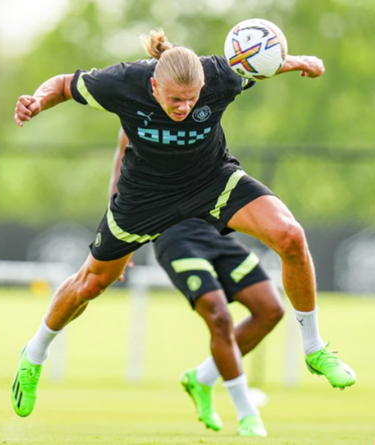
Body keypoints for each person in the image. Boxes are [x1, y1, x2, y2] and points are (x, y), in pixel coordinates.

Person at [11, 29, 356, 430]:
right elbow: (62, 85)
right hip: (145, 197)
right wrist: (37, 102)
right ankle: (34, 354)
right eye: (175, 99)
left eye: (192, 99)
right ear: (154, 84)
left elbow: (260, 65)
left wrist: (297, 60)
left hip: (212, 182)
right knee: (90, 284)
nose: (185, 107)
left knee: (291, 237)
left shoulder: (219, 75)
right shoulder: (122, 82)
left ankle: (314, 347)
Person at [111, 128, 284, 437]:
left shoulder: (203, 103)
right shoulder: (137, 112)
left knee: (270, 308)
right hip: (173, 236)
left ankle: (202, 377)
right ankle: (247, 414)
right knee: (219, 316)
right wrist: (120, 243)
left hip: (213, 229)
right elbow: (120, 170)